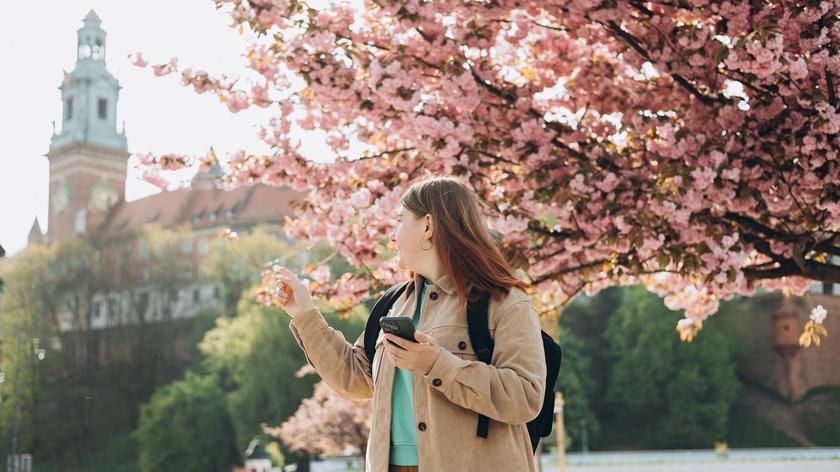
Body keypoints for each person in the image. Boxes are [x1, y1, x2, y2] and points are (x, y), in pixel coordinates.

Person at [273, 175, 546, 472]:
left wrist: (438, 364)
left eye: (400, 220)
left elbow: (525, 397)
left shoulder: (504, 301)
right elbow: (355, 379)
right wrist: (304, 313)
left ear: (427, 226)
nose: (392, 235)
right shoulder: (393, 304)